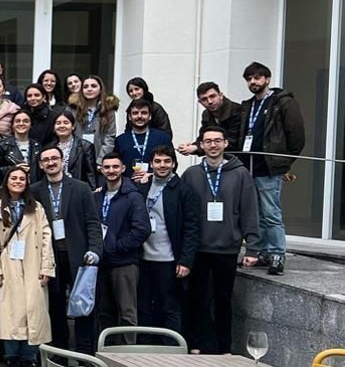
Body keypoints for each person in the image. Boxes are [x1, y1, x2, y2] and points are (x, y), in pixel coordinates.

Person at [181, 126, 260, 354]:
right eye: (208, 141)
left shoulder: (240, 174)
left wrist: (252, 247)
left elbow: (249, 210)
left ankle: (224, 348)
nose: (213, 145)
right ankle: (198, 344)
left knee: (224, 300)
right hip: (199, 248)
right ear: (202, 146)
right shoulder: (192, 174)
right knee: (198, 299)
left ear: (226, 144)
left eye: (217, 140)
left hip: (227, 248)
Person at [234, 61, 306, 275]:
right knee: (254, 214)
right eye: (249, 79)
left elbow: (296, 136)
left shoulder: (282, 102)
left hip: (268, 169)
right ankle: (263, 252)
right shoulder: (247, 105)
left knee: (270, 213)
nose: (253, 82)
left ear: (267, 79)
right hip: (248, 169)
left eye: (256, 77)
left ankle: (276, 254)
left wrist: (284, 163)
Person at [30, 145, 102, 354]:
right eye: (46, 160)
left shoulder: (80, 188)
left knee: (83, 308)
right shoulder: (34, 191)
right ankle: (58, 354)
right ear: (41, 165)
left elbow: (92, 223)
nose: (51, 163)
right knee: (54, 307)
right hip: (49, 258)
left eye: (55, 158)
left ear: (62, 161)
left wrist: (96, 250)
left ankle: (84, 355)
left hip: (79, 257)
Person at [0, 167, 55, 367]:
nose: (17, 181)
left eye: (22, 179)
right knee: (10, 314)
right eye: (13, 178)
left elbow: (47, 237)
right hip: (8, 265)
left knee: (33, 310)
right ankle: (11, 356)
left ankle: (29, 357)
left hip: (33, 263)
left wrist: (47, 268)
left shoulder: (37, 208)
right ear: (6, 182)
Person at [138, 146, 201, 345]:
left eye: (166, 161)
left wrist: (185, 261)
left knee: (170, 308)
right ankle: (145, 352)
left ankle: (171, 353)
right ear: (151, 164)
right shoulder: (143, 187)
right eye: (158, 161)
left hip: (169, 261)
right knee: (145, 308)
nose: (162, 165)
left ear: (174, 163)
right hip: (144, 259)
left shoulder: (184, 190)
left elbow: (192, 228)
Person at [93, 153, 149, 338]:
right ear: (101, 170)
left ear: (123, 169)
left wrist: (116, 246)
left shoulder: (133, 196)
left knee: (127, 312)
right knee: (104, 311)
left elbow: (142, 230)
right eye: (106, 167)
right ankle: (106, 353)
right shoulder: (98, 196)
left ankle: (128, 356)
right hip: (102, 263)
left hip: (124, 263)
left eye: (115, 167)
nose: (111, 171)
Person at [178, 82, 241, 156]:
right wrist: (190, 146)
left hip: (236, 157)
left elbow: (233, 140)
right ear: (200, 102)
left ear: (221, 95)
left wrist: (196, 148)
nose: (210, 101)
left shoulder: (236, 111)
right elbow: (203, 137)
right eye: (204, 99)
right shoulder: (206, 114)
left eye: (212, 96)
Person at [115, 100, 173, 177]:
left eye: (144, 113)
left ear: (150, 116)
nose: (139, 116)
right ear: (129, 117)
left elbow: (172, 165)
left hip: (156, 185)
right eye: (135, 113)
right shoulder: (120, 141)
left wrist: (152, 175)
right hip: (128, 187)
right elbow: (115, 166)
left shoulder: (163, 138)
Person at [45, 109, 98, 190]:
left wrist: (92, 191)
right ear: (54, 127)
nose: (62, 126)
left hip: (77, 189)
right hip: (54, 188)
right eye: (58, 123)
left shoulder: (85, 146)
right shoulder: (49, 148)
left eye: (66, 123)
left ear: (73, 126)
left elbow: (90, 174)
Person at [68, 75, 119, 159]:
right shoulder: (72, 108)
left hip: (99, 156)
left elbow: (110, 137)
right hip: (75, 156)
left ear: (100, 89)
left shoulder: (108, 109)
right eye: (85, 87)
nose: (89, 89)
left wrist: (101, 160)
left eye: (94, 86)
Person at [0, 109, 40, 191]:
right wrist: (13, 168)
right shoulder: (1, 145)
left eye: (26, 121)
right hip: (7, 190)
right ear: (12, 125)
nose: (21, 123)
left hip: (32, 190)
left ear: (31, 125)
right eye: (17, 121)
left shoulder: (37, 146)